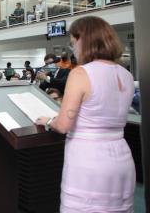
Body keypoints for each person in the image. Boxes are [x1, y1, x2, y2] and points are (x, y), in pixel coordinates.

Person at [36, 16, 135, 212]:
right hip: (121, 157)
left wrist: (49, 120)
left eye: (73, 43)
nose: (73, 50)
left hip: (89, 160)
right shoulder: (126, 74)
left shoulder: (81, 73)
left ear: (84, 40)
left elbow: (63, 125)